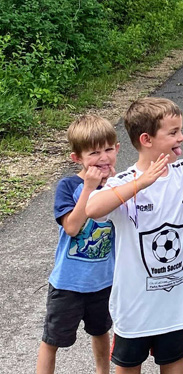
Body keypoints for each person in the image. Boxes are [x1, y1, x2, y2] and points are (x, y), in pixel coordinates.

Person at [85, 98, 183, 374]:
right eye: (173, 132)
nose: (182, 137)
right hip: (134, 308)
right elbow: (93, 208)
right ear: (146, 139)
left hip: (175, 306)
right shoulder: (124, 181)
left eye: (180, 130)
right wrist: (141, 183)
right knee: (128, 365)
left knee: (173, 363)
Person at [36, 115, 119, 374]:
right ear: (77, 158)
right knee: (53, 340)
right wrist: (90, 188)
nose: (103, 158)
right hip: (68, 284)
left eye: (108, 149)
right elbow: (72, 227)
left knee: (101, 331)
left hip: (104, 281)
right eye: (94, 152)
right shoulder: (68, 185)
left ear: (117, 148)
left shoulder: (119, 185)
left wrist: (113, 185)